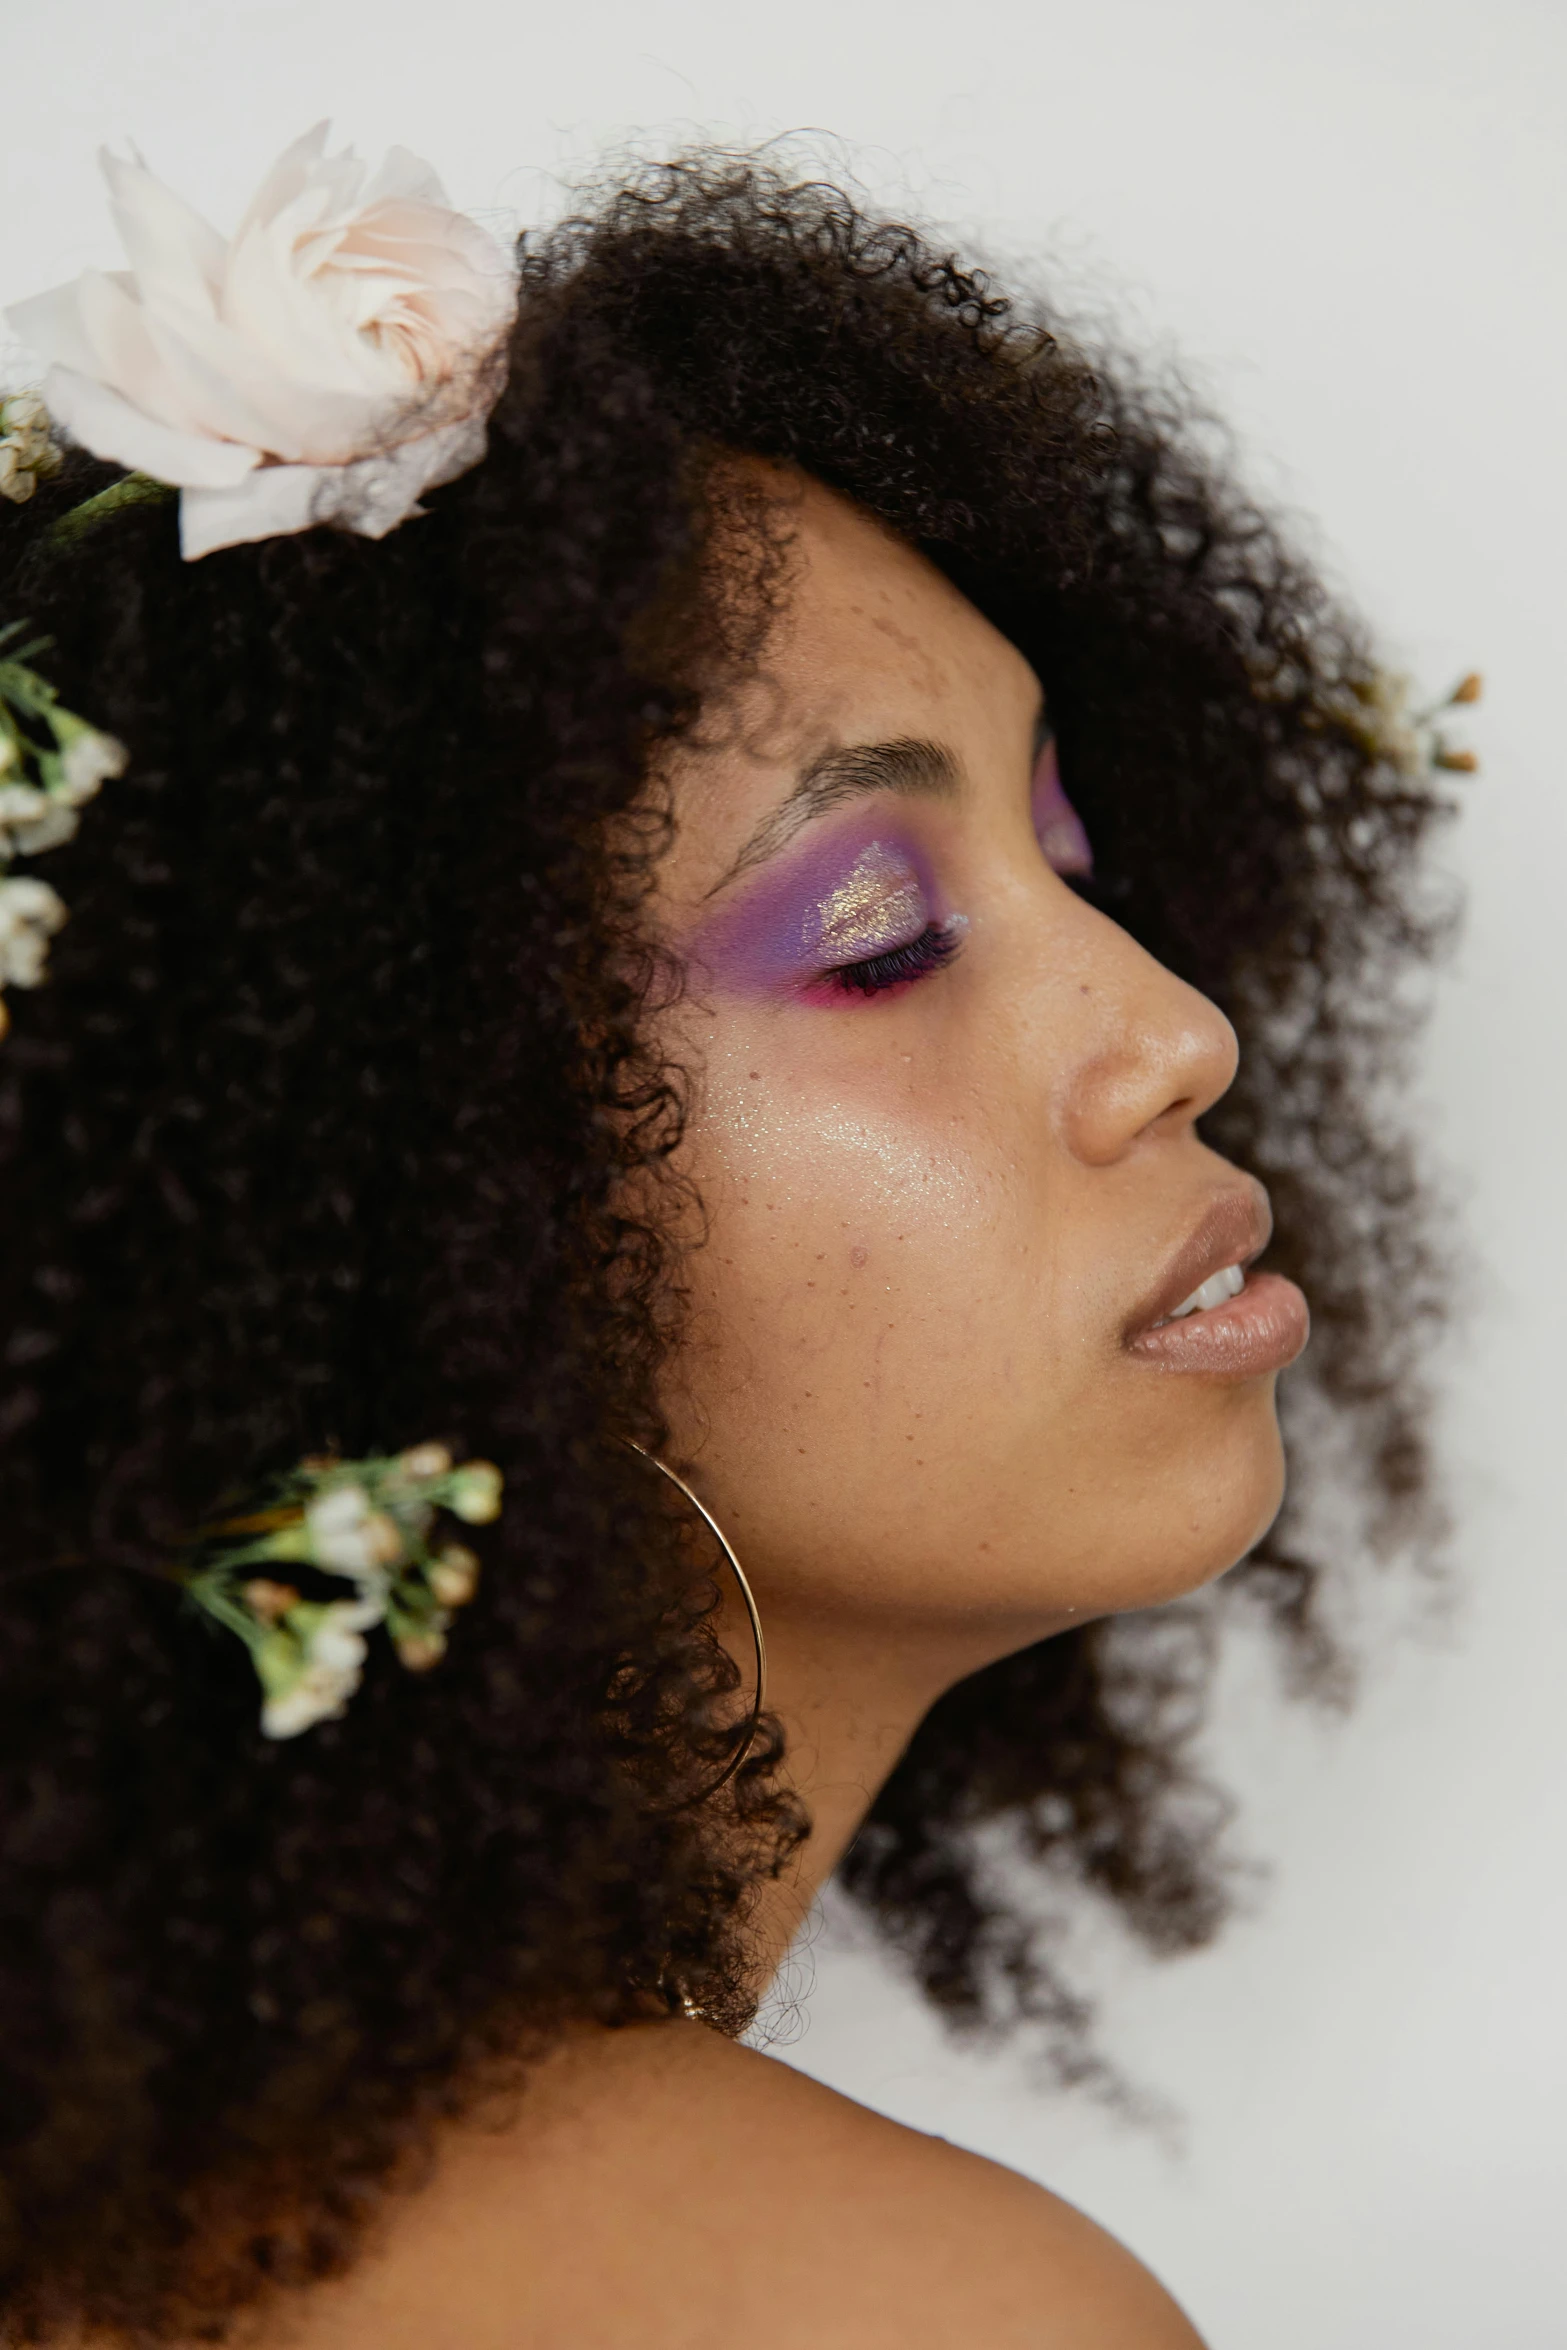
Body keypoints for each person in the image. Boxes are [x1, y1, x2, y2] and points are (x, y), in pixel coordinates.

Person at [0, 126, 1461, 2347]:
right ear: (430, 1216)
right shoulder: (895, 2308)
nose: (1175, 1028)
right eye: (877, 936)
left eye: (1079, 853)